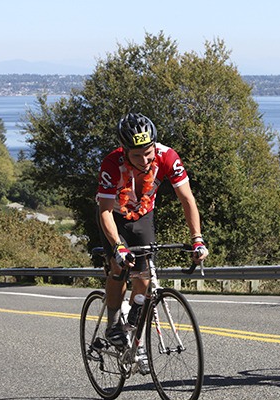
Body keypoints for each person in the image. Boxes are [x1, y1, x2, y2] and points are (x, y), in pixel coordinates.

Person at [96, 112, 208, 374]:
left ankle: (133, 327)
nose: (145, 160)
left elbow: (187, 199)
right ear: (125, 152)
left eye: (148, 152)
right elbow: (103, 211)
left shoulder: (168, 157)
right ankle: (113, 325)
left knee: (144, 278)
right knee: (120, 267)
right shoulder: (111, 164)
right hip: (114, 217)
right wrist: (119, 248)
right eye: (137, 155)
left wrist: (197, 239)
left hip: (143, 214)